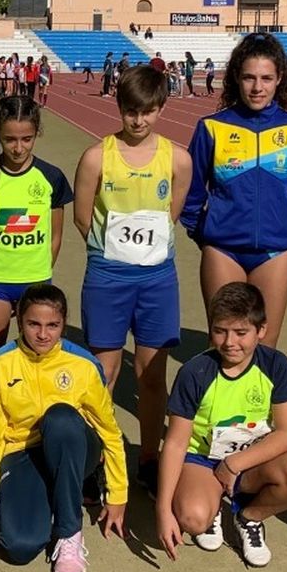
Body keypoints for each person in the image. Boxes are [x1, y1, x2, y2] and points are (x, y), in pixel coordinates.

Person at [72, 65, 190, 496]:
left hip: (157, 277)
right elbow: (83, 216)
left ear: (161, 108)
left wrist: (145, 252)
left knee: (152, 372)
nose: (138, 121)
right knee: (103, 371)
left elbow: (172, 213)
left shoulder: (177, 158)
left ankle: (149, 457)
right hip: (108, 274)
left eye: (147, 112)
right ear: (119, 108)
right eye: (130, 111)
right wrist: (114, 254)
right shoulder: (96, 156)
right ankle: (98, 455)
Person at [154, 284, 287, 568]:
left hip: (251, 460)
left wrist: (234, 463)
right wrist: (163, 508)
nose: (230, 342)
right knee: (192, 517)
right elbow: (177, 442)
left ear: (261, 330)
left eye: (241, 333)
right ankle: (211, 502)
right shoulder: (195, 372)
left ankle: (249, 518)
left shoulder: (276, 365)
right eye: (221, 331)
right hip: (201, 459)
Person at [181, 33, 287, 349]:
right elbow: (191, 187)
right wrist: (203, 230)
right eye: (249, 78)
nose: (258, 88)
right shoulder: (212, 127)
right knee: (225, 345)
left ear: (279, 79)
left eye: (266, 78)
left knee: (264, 345)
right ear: (236, 79)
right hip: (222, 249)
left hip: (275, 252)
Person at [0, 284, 127, 572]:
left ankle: (69, 532)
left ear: (63, 323)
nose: (43, 334)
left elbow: (109, 431)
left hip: (73, 444)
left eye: (53, 325)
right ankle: (52, 495)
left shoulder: (83, 364)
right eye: (33, 323)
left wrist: (118, 495)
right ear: (19, 320)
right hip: (22, 453)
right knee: (19, 547)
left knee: (60, 417)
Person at [0, 96, 73, 350]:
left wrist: (40, 269)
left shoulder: (51, 177)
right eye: (9, 139)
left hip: (36, 281)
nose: (18, 148)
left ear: (37, 134)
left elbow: (55, 236)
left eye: (27, 139)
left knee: (38, 361)